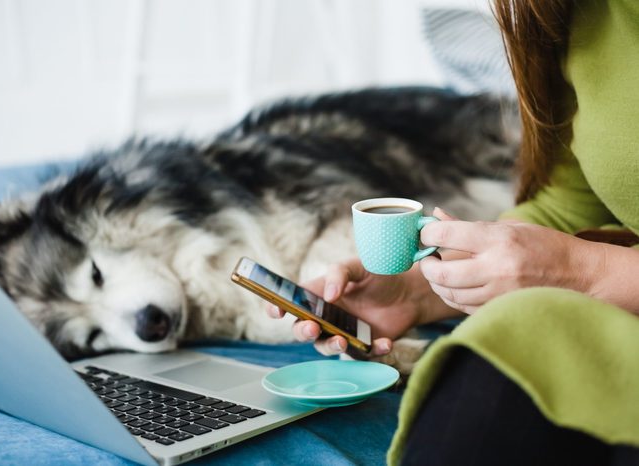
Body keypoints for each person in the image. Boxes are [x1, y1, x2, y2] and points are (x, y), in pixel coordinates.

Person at [267, 1, 639, 465]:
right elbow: (570, 205)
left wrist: (585, 271)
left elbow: (572, 260)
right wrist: (418, 289)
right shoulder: (576, 13)